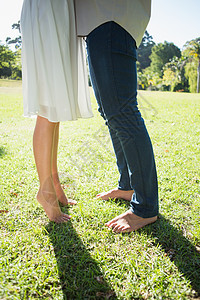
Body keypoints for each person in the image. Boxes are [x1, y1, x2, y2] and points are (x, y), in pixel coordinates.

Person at [75, 0, 159, 233]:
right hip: (101, 21)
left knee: (122, 112)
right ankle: (128, 186)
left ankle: (145, 207)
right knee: (111, 112)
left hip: (111, 18)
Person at [20, 0, 93, 223]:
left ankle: (54, 183)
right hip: (47, 11)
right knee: (48, 106)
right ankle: (46, 192)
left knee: (56, 110)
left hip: (64, 14)